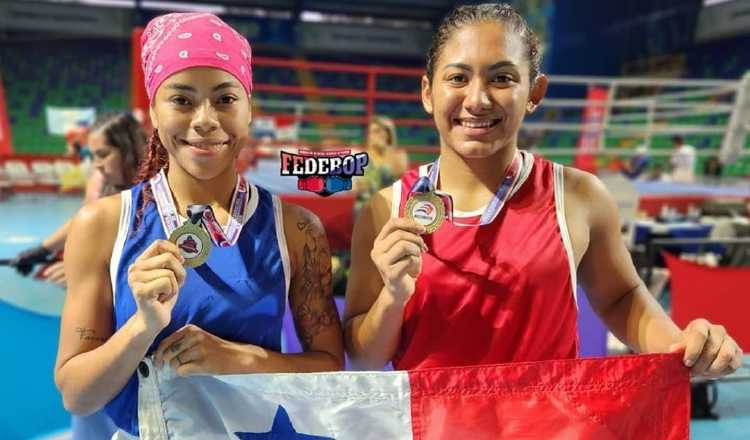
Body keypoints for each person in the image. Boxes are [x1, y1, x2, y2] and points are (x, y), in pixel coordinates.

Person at [343, 3, 742, 379]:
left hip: (546, 426)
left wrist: (683, 345)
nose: (478, 100)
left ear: (534, 93)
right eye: (458, 78)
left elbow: (621, 299)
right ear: (429, 93)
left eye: (501, 78)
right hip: (428, 427)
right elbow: (362, 358)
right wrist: (393, 296)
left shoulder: (579, 196)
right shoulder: (385, 209)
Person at [54, 13, 343, 438]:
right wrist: (142, 326)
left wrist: (245, 360)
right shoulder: (102, 224)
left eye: (225, 99)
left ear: (249, 109)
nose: (205, 119)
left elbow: (330, 370)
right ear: (153, 109)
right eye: (183, 100)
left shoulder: (297, 229)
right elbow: (78, 396)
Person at [12, 112, 147, 285]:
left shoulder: (158, 191)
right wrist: (42, 250)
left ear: (130, 151)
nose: (96, 164)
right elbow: (84, 220)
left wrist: (89, 272)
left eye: (103, 154)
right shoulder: (100, 181)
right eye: (93, 156)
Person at [353, 116, 409, 209]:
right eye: (376, 131)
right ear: (369, 136)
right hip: (366, 207)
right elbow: (355, 188)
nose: (382, 134)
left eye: (385, 131)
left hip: (390, 206)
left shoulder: (398, 155)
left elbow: (402, 182)